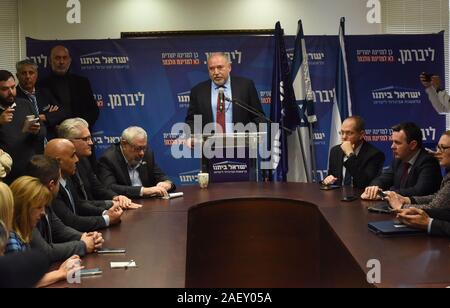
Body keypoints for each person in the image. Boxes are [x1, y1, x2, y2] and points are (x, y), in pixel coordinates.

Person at [4, 176, 83, 288]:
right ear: (24, 208)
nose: (42, 213)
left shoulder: (22, 233)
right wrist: (60, 273)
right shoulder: (11, 239)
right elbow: (22, 281)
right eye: (39, 207)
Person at [27, 155, 103, 262]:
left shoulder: (44, 201)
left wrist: (85, 237)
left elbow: (59, 229)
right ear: (52, 184)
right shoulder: (27, 207)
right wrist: (83, 245)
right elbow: (45, 252)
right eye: (59, 180)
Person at [57, 118, 141, 209]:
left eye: (90, 138)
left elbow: (97, 188)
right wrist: (110, 207)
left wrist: (116, 197)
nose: (91, 143)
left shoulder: (84, 160)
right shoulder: (61, 167)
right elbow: (79, 204)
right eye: (86, 139)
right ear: (68, 141)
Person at [45, 139, 123, 232]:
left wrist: (105, 212)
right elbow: (71, 221)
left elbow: (79, 204)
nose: (77, 160)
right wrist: (107, 219)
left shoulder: (66, 176)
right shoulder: (51, 187)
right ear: (58, 161)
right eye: (73, 156)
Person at [185, 52, 265, 134]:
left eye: (220, 67)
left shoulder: (245, 86)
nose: (216, 72)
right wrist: (192, 136)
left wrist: (249, 135)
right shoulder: (198, 91)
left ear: (229, 67)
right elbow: (192, 120)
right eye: (212, 68)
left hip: (240, 143)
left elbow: (258, 117)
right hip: (209, 144)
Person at [361, 122, 442, 200]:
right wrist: (374, 188)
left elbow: (419, 191)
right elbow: (382, 179)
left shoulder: (428, 162)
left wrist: (384, 194)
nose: (392, 146)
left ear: (413, 145)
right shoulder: (398, 160)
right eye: (392, 142)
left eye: (397, 143)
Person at [98, 126, 175, 199]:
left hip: (149, 205)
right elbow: (109, 187)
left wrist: (167, 183)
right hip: (125, 206)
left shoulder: (147, 153)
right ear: (124, 144)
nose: (142, 153)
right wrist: (143, 191)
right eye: (137, 148)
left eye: (144, 148)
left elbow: (161, 176)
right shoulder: (109, 159)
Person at [384, 131, 450, 211]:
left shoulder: (427, 160)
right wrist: (408, 200)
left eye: (443, 148)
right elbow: (437, 197)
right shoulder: (399, 160)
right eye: (438, 147)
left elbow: (434, 208)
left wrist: (401, 207)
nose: (437, 152)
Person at [0, 70, 46, 183]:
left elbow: (42, 132)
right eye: (5, 89)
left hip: (28, 170)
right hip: (4, 174)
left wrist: (37, 130)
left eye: (13, 87)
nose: (11, 92)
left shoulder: (25, 104)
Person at [40, 45, 99, 128]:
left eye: (64, 58)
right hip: (52, 134)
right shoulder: (41, 84)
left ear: (69, 61)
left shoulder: (82, 83)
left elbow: (93, 111)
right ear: (50, 61)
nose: (61, 62)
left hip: (79, 133)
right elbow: (40, 114)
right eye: (57, 58)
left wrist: (80, 128)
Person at [323, 116, 385, 188]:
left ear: (361, 135)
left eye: (349, 133)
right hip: (338, 196)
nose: (343, 137)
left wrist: (350, 154)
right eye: (342, 132)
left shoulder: (374, 155)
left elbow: (364, 183)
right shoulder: (335, 151)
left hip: (361, 197)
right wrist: (327, 180)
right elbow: (331, 176)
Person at [16, 59, 65, 139]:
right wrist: (48, 116)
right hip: (29, 142)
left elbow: (62, 113)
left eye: (31, 73)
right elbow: (21, 123)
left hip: (50, 140)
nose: (28, 77)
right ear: (17, 76)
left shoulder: (45, 93)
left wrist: (45, 116)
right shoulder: (14, 97)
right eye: (24, 73)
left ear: (36, 75)